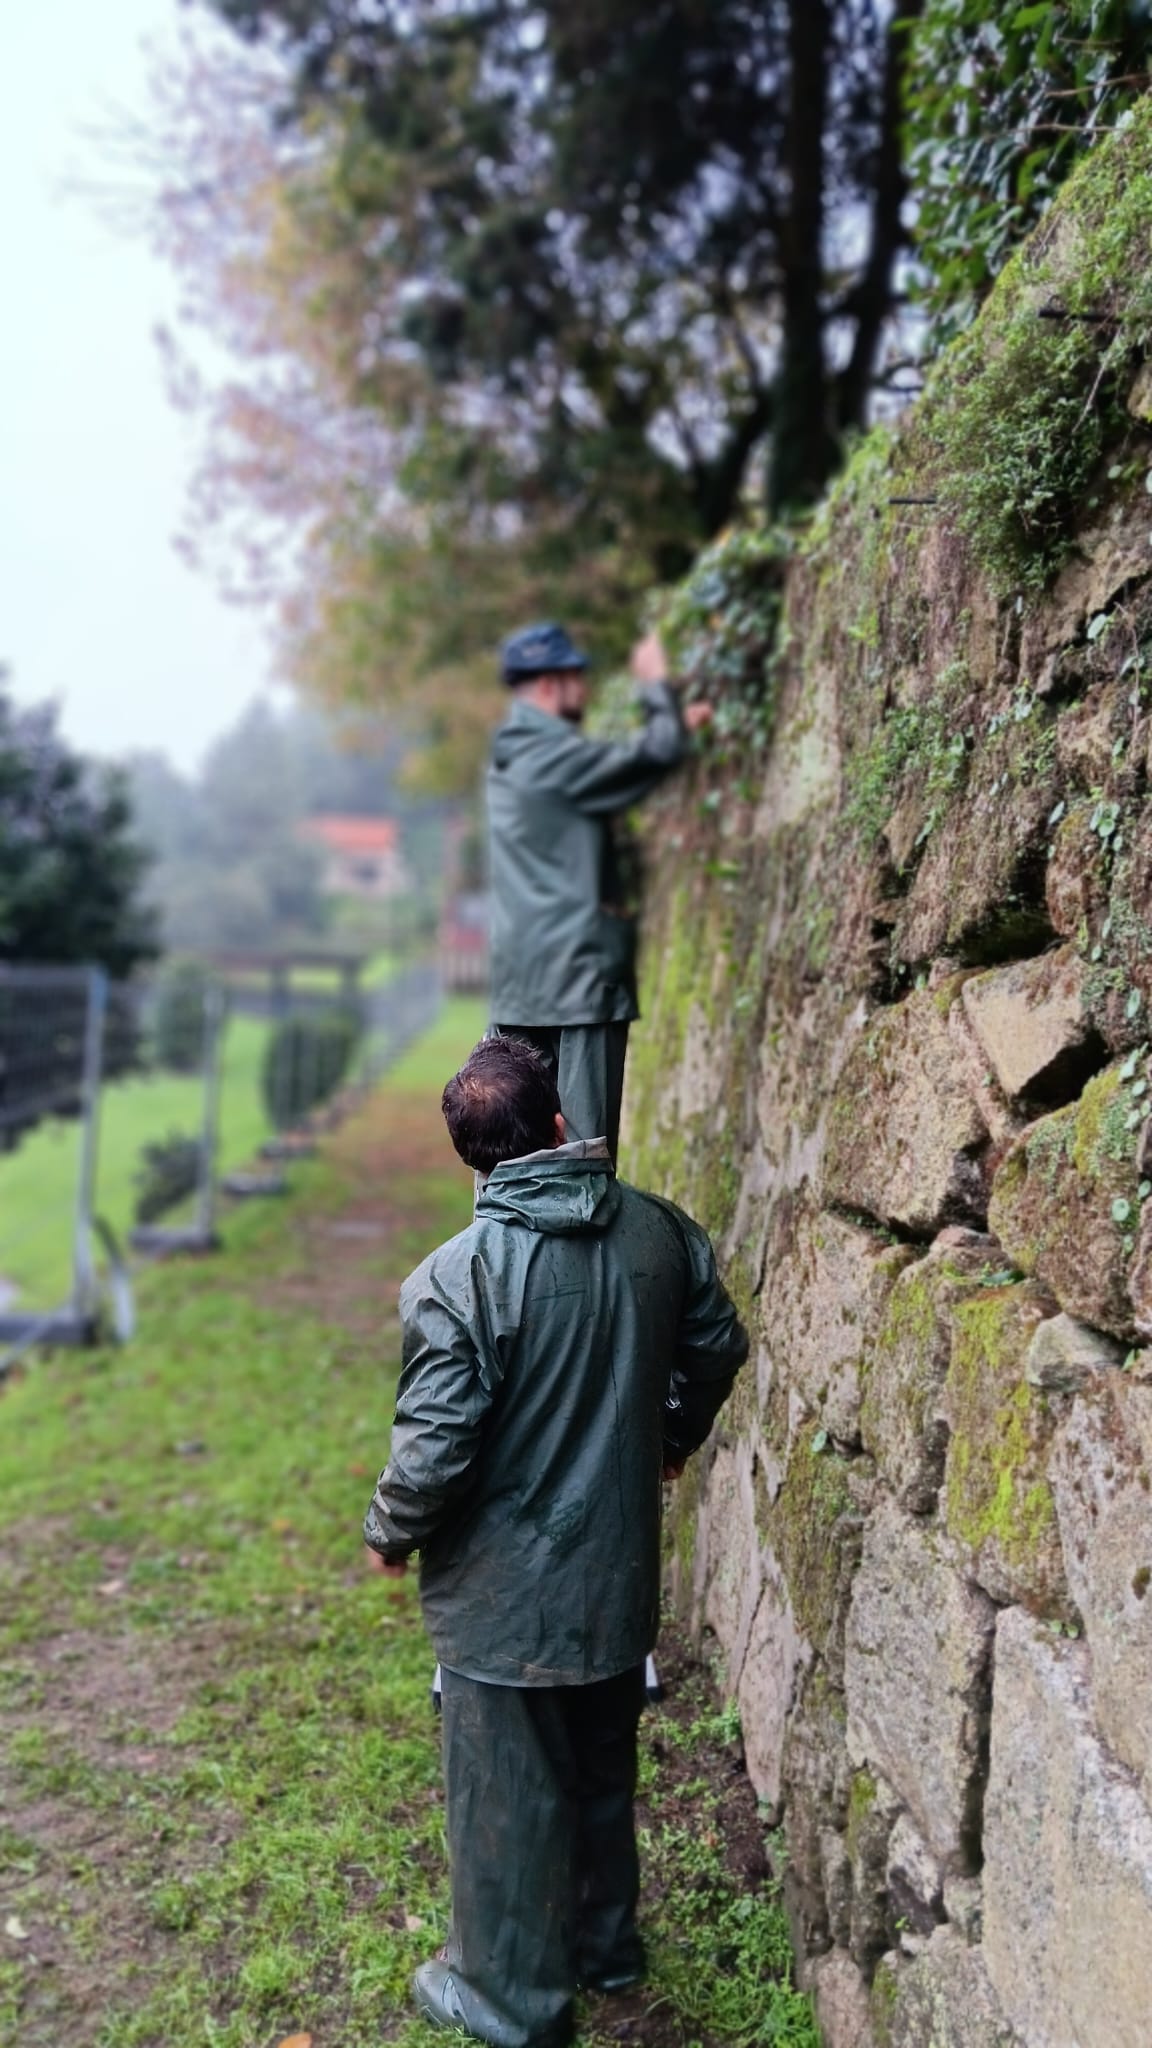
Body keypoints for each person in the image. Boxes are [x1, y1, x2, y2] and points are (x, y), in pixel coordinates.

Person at [363, 1035, 748, 2048]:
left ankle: (509, 1999)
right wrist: (669, 1438)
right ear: (563, 1122)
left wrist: (390, 1533)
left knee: (506, 1792)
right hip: (614, 1580)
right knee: (598, 1768)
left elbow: (436, 1447)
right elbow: (717, 1342)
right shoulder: (660, 1232)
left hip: (502, 1601)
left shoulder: (456, 1278)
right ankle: (604, 1945)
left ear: (473, 1161)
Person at [486, 621, 713, 1162]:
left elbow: (601, 775)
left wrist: (675, 727)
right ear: (547, 686)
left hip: (521, 981)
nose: (584, 689)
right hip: (578, 981)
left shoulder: (515, 756)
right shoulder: (553, 756)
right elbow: (653, 756)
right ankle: (585, 1248)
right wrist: (656, 683)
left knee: (508, 1144)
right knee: (582, 1152)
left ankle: (502, 1247)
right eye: (575, 678)